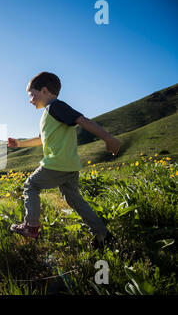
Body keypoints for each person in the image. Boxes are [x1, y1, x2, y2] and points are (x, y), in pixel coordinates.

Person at [7, 71, 121, 249]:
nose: (30, 100)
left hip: (56, 163)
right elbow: (41, 139)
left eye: (31, 95)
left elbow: (82, 120)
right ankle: (103, 236)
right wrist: (20, 144)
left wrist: (109, 138)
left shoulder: (55, 107)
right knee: (75, 200)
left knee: (31, 185)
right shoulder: (48, 114)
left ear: (44, 91)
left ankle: (31, 225)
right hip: (70, 165)